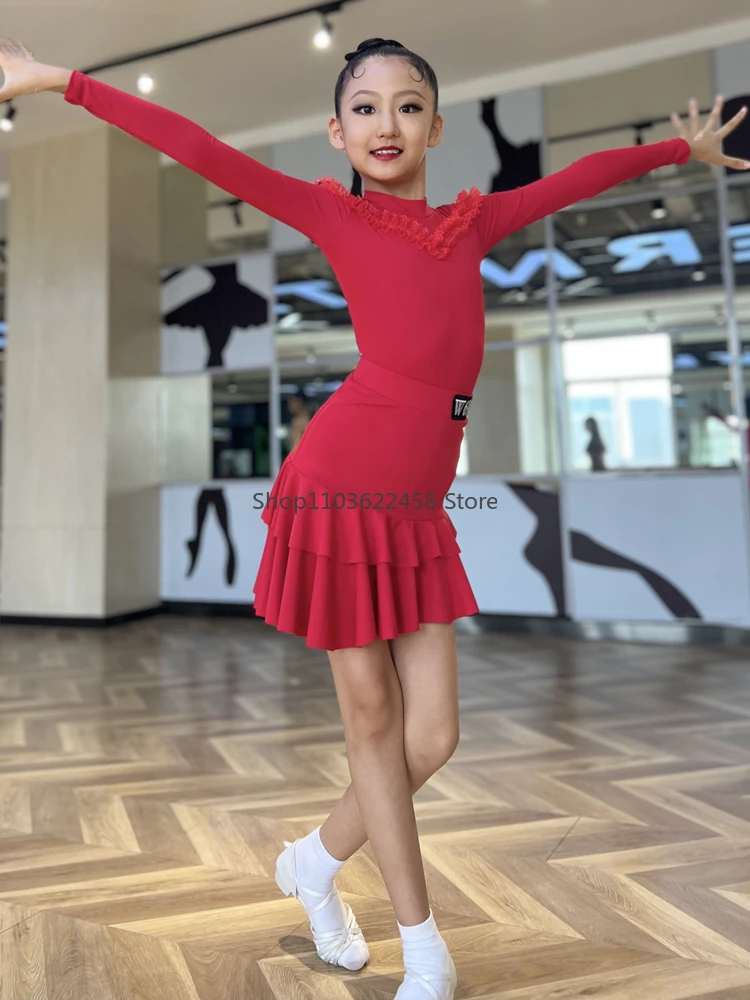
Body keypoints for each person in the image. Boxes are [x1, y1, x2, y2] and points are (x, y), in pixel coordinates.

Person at [1, 35, 748, 1000]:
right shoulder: (325, 212)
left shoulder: (470, 224)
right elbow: (197, 149)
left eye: (406, 106)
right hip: (341, 488)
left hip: (417, 505)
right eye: (364, 106)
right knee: (374, 719)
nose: (385, 122)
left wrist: (668, 155)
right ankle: (423, 943)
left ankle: (312, 860)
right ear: (338, 131)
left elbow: (574, 179)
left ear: (436, 127)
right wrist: (65, 82)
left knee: (432, 736)